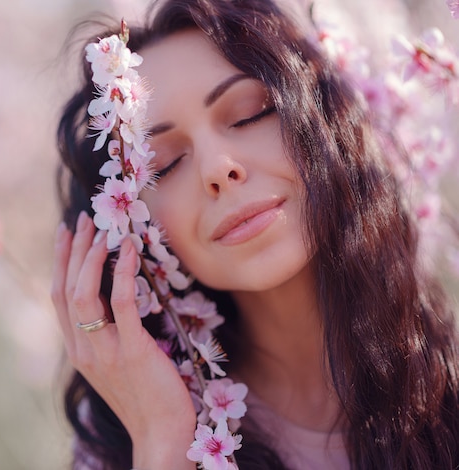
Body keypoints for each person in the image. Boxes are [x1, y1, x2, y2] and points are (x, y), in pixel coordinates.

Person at [51, 0, 459, 468]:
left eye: (249, 114)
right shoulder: (116, 449)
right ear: (135, 229)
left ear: (325, 122)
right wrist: (163, 443)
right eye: (164, 165)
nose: (219, 169)